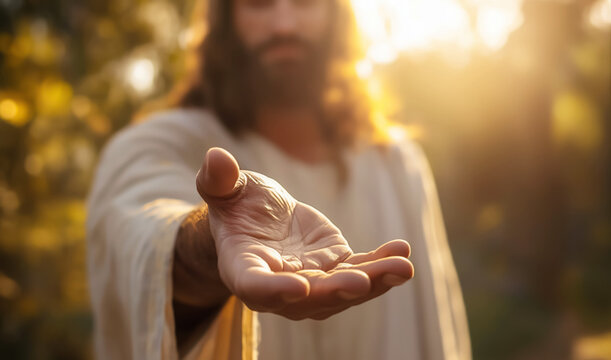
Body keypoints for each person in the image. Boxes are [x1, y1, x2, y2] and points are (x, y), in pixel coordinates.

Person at [86, 0, 471, 359]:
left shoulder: (396, 164)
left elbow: (437, 328)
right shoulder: (156, 145)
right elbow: (139, 233)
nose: (284, 24)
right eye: (259, 1)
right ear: (226, 17)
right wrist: (212, 237)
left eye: (304, 0)